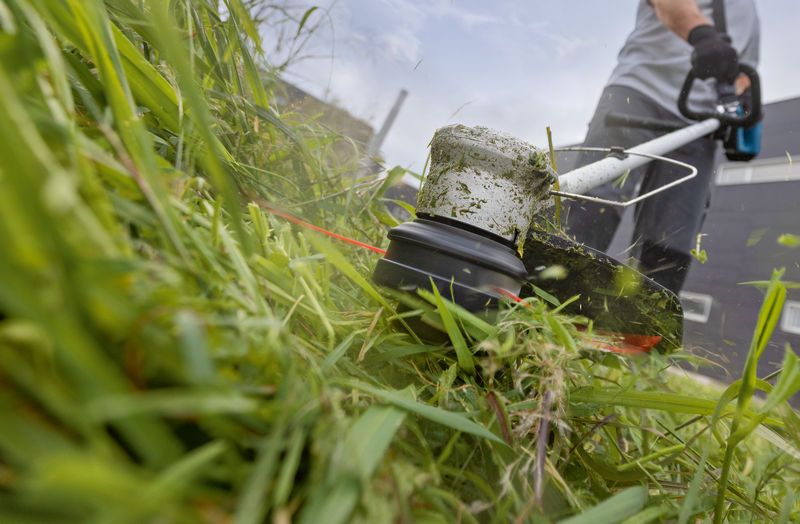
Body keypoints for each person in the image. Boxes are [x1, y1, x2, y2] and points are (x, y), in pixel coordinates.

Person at [564, 0, 760, 294]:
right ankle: (550, 298)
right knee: (595, 198)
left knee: (674, 233)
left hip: (700, 121)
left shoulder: (750, 13)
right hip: (640, 89)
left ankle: (640, 327)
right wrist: (702, 35)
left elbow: (743, 69)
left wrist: (744, 96)